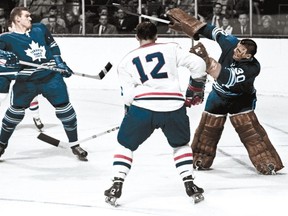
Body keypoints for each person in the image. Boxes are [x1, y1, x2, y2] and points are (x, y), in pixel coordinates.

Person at [166, 8, 284, 175]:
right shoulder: (231, 43)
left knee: (251, 131)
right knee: (207, 129)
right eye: (237, 48)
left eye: (240, 52)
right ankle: (200, 159)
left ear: (248, 56)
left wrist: (206, 61)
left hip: (241, 100)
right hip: (218, 96)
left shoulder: (252, 68)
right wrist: (190, 26)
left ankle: (267, 162)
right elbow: (213, 31)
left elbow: (223, 76)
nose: (236, 51)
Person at [104, 21, 207, 206]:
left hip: (143, 108)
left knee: (125, 145)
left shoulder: (126, 61)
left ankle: (116, 185)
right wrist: (195, 88)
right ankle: (190, 184)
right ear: (156, 36)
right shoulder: (171, 48)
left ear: (136, 37)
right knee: (181, 145)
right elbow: (199, 63)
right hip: (174, 107)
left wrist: (130, 112)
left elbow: (128, 96)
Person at [0, 6, 88, 161]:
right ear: (17, 18)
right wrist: (10, 64)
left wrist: (60, 63)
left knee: (66, 111)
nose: (30, 18)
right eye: (27, 16)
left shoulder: (40, 28)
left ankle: (75, 144)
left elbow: (53, 45)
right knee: (14, 114)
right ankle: (1, 145)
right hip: (26, 82)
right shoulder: (6, 39)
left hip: (50, 78)